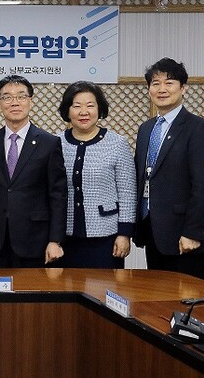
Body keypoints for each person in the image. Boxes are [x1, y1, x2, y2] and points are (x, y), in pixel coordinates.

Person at [134, 58, 204, 280]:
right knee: (156, 296)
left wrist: (192, 232)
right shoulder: (146, 129)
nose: (162, 89)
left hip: (185, 235)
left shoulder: (199, 128)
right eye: (155, 83)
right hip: (153, 230)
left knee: (187, 298)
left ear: (183, 88)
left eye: (169, 83)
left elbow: (203, 187)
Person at [0, 75, 67, 268]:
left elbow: (58, 194)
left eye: (21, 96)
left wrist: (55, 240)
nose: (14, 102)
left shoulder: (49, 143)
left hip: (35, 239)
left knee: (32, 288)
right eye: (7, 97)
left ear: (31, 101)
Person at [57, 81, 137, 268]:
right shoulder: (56, 143)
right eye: (77, 106)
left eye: (90, 106)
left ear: (99, 109)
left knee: (105, 285)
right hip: (65, 237)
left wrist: (124, 234)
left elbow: (127, 192)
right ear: (67, 111)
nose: (83, 112)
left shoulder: (117, 143)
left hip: (106, 236)